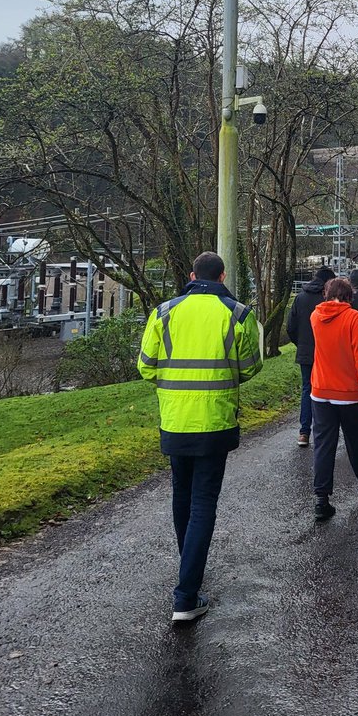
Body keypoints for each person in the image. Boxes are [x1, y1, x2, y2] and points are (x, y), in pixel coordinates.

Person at [137, 251, 263, 623]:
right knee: (204, 502)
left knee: (182, 493)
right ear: (222, 277)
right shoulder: (238, 313)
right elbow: (251, 367)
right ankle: (186, 594)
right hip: (214, 421)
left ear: (192, 275)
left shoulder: (164, 312)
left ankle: (189, 573)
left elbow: (146, 365)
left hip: (175, 420)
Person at [309, 276, 358, 520]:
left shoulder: (315, 316)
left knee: (323, 443)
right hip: (350, 392)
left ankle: (322, 498)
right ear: (349, 296)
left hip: (320, 390)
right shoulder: (354, 318)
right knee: (354, 439)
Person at [285, 265, 335, 447]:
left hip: (306, 353)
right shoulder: (329, 300)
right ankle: (325, 432)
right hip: (328, 353)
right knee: (328, 390)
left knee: (307, 389)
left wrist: (302, 344)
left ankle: (304, 432)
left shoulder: (300, 298)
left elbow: (290, 327)